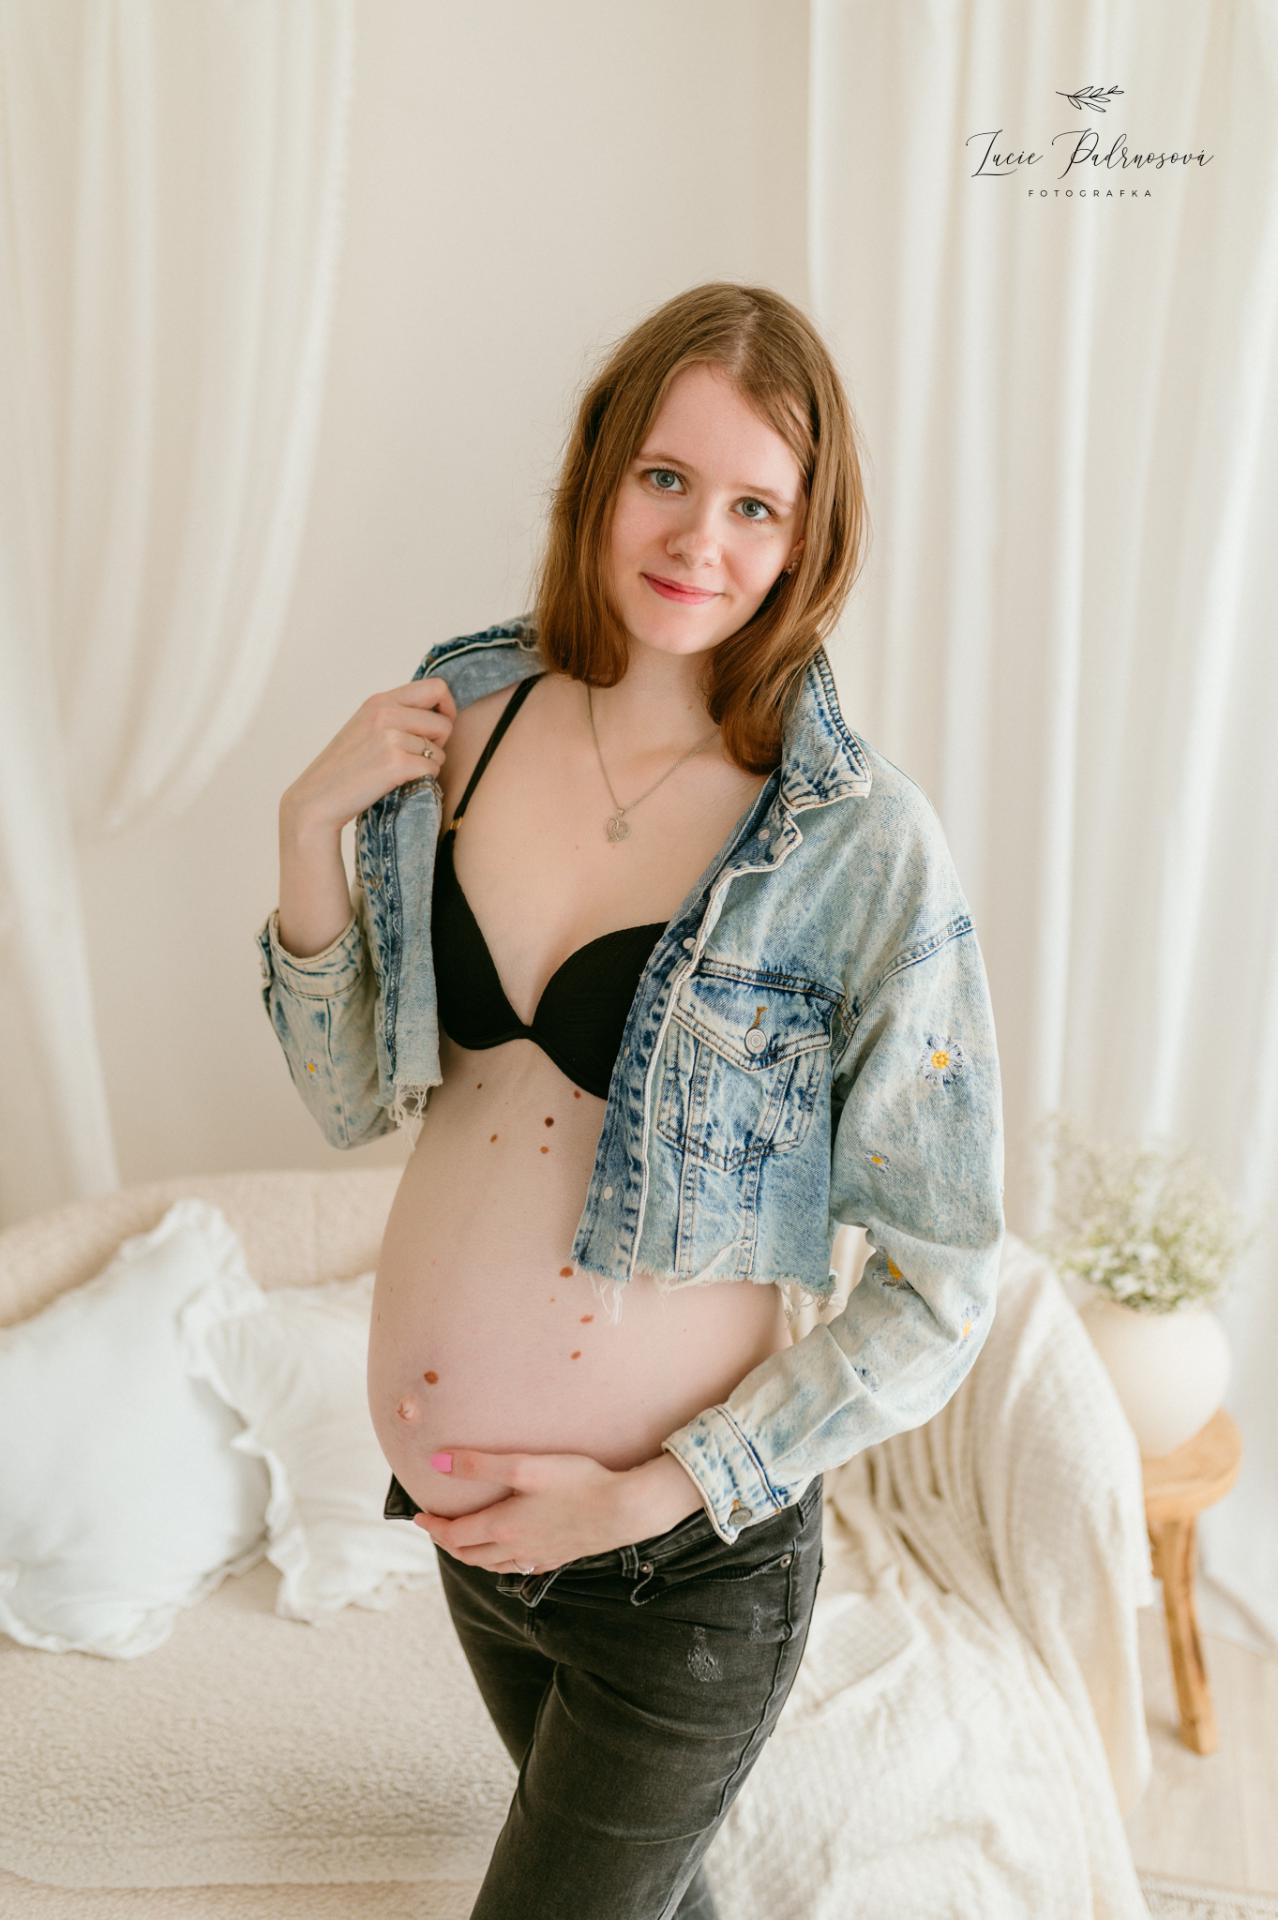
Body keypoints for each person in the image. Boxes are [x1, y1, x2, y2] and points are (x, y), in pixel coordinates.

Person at [256, 280, 1006, 1920]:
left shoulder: (852, 842)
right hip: (473, 1539)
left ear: (807, 540)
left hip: (681, 1571)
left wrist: (657, 1489)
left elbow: (945, 1283)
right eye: (666, 477)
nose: (697, 541)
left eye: (755, 506)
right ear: (600, 472)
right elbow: (349, 1097)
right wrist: (309, 833)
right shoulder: (463, 718)